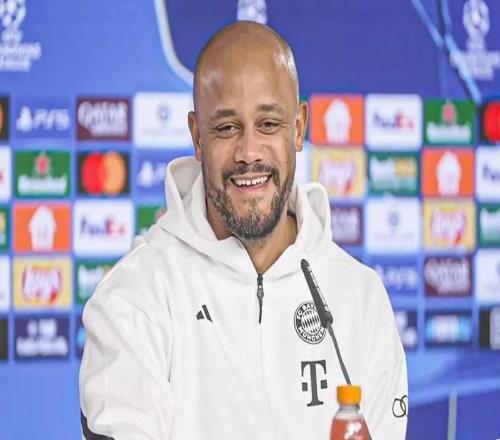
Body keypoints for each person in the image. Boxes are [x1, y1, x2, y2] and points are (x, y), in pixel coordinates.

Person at [80, 21, 408, 439]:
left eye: (268, 124)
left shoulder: (360, 298)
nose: (249, 152)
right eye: (226, 128)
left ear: (299, 128)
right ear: (198, 137)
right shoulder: (134, 298)